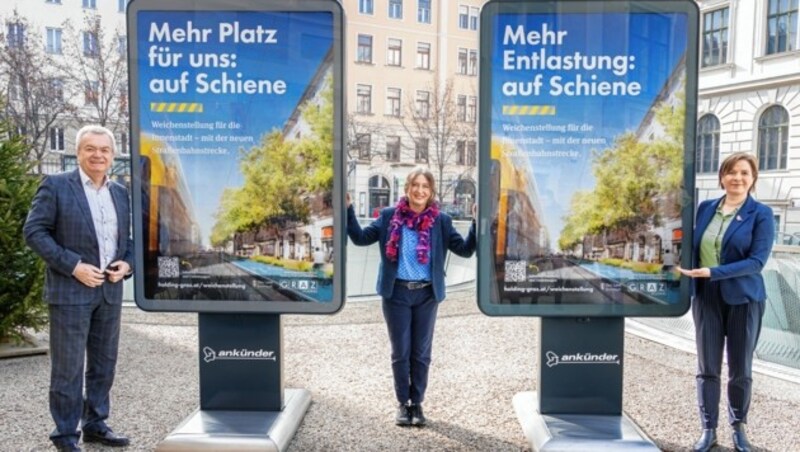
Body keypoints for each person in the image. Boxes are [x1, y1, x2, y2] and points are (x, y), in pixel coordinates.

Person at [24, 125, 134, 452]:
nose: (98, 155)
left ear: (112, 155)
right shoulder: (56, 186)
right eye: (90, 148)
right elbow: (35, 232)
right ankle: (65, 435)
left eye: (104, 150)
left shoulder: (120, 192)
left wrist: (126, 265)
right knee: (68, 369)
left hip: (109, 292)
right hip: (70, 292)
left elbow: (127, 241)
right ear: (79, 152)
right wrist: (74, 266)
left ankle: (96, 425)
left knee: (103, 364)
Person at [346, 167, 476, 427]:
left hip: (427, 294)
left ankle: (417, 403)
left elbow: (464, 250)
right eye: (415, 185)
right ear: (407, 188)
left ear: (431, 192)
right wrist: (348, 209)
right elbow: (360, 238)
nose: (419, 190)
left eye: (425, 186)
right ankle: (402, 403)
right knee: (401, 352)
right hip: (397, 294)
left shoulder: (442, 221)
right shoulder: (388, 217)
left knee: (421, 353)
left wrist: (476, 221)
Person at [677, 152, 774, 452]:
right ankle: (708, 430)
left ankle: (739, 430)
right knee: (707, 367)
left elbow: (756, 262)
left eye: (744, 173)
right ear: (721, 177)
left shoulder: (761, 214)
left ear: (753, 178)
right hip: (706, 298)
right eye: (731, 172)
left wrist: (713, 272)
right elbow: (689, 246)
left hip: (744, 299)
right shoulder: (705, 208)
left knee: (740, 369)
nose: (737, 178)